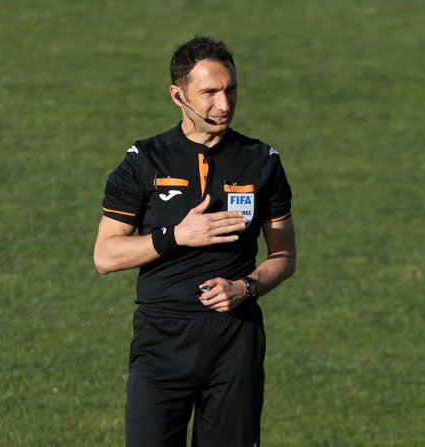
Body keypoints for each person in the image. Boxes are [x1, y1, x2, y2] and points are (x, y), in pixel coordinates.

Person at [93, 36, 296, 447]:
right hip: (161, 340)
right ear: (178, 95)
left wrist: (246, 287)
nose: (224, 104)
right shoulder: (144, 161)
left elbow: (284, 254)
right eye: (210, 93)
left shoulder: (261, 161)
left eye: (231, 90)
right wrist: (176, 236)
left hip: (234, 341)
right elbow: (106, 255)